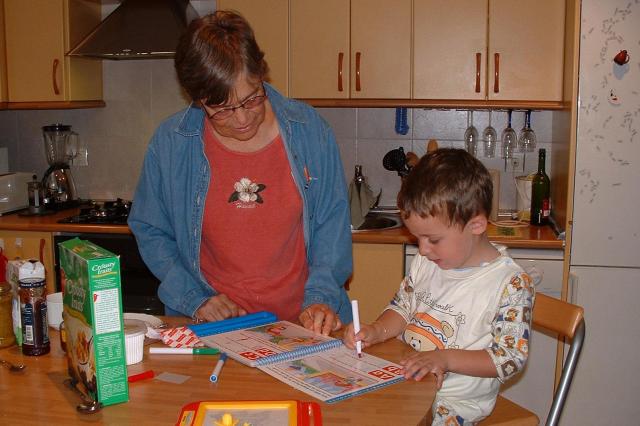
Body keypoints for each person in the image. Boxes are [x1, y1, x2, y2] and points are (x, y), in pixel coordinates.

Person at [128, 10, 353, 335]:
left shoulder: (308, 130)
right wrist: (196, 299)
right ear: (198, 100)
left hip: (301, 329)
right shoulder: (172, 143)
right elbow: (150, 229)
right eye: (221, 110)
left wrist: (320, 299)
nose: (242, 119)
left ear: (262, 74)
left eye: (251, 99)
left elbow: (331, 224)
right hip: (214, 330)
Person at [343, 148, 534, 425]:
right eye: (417, 238)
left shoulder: (510, 284)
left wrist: (443, 359)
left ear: (476, 225)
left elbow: (509, 358)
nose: (423, 249)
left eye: (432, 239)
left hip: (454, 404)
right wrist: (376, 330)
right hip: (407, 383)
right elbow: (403, 308)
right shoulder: (428, 261)